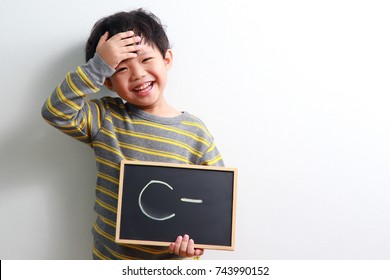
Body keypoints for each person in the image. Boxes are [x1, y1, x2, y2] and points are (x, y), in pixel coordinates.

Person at [41, 8, 224, 260]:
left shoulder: (194, 131)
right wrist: (98, 67)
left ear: (167, 59)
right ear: (107, 81)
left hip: (171, 263)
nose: (138, 73)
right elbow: (56, 111)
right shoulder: (105, 117)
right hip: (110, 258)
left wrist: (199, 240)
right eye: (121, 68)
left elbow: (217, 197)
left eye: (146, 60)